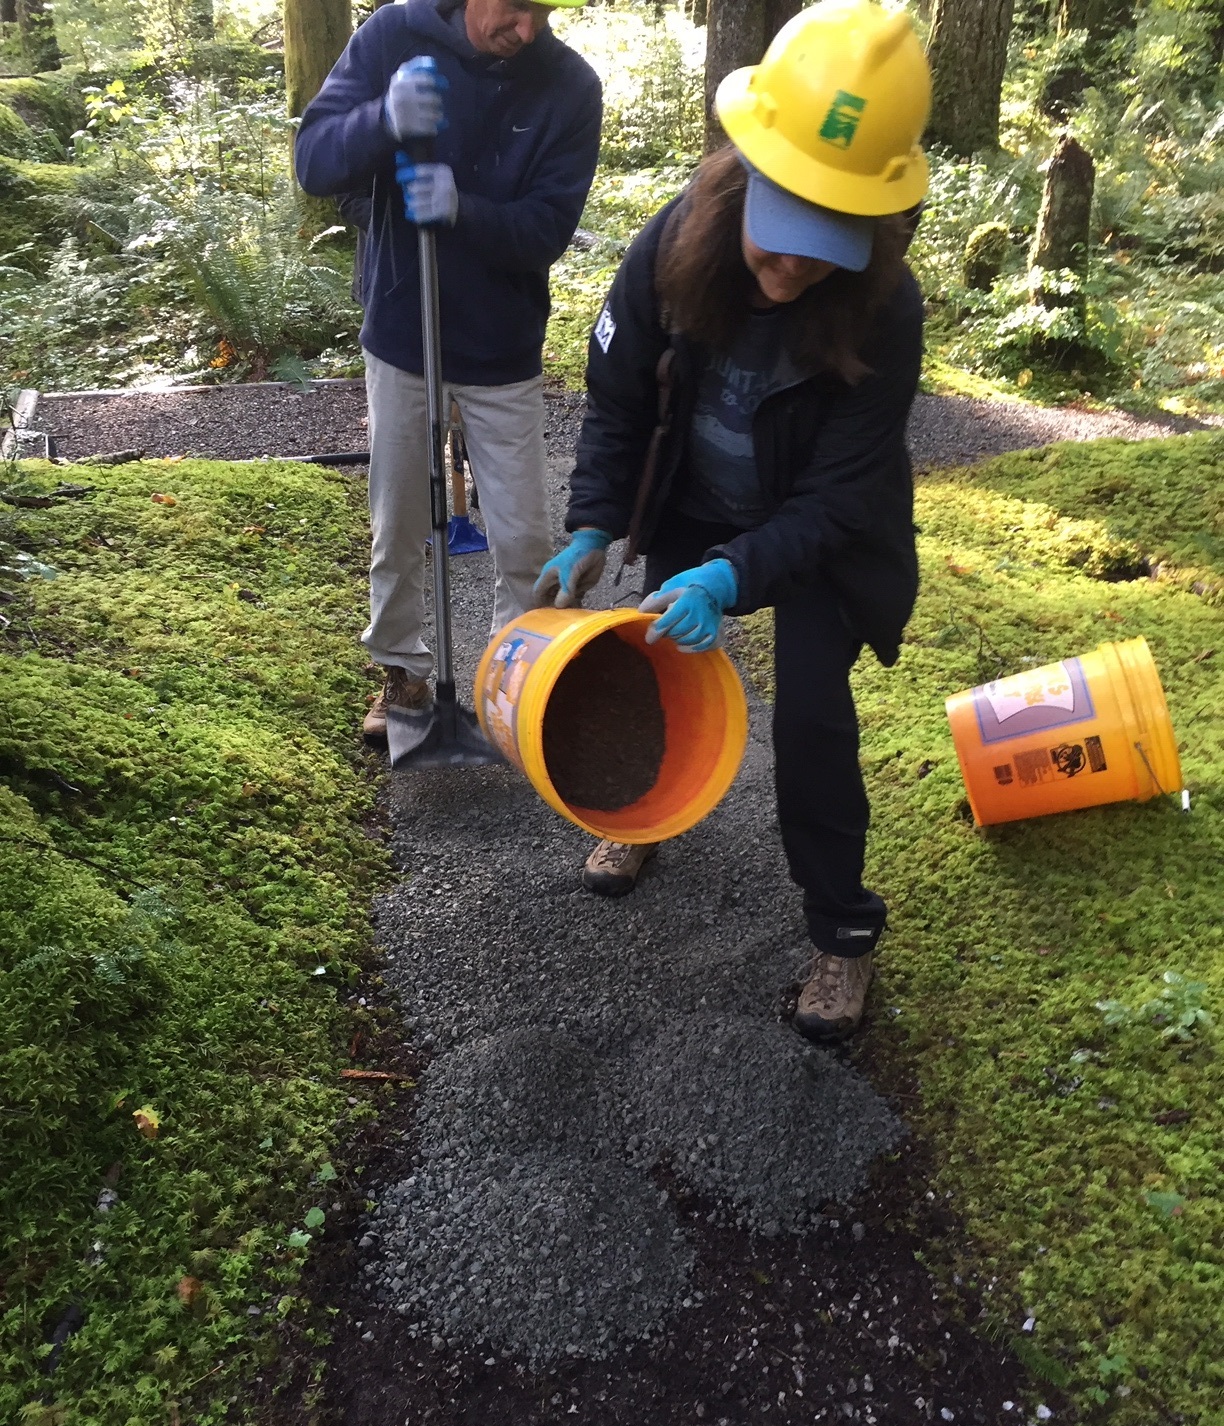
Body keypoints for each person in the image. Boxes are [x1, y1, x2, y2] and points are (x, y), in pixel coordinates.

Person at [533, 0, 930, 1042]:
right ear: (744, 173)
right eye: (781, 236)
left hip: (816, 539)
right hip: (695, 499)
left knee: (811, 722)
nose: (792, 268)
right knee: (647, 661)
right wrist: (592, 525)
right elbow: (618, 404)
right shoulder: (672, 245)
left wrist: (732, 576)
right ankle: (640, 814)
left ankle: (842, 933)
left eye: (823, 248)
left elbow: (841, 498)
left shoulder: (887, 310)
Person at [295, 0, 602, 745]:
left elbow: (548, 228)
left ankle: (514, 681)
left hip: (501, 344)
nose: (527, 29)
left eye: (543, 12)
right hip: (404, 330)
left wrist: (465, 209)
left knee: (524, 538)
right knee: (397, 520)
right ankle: (401, 669)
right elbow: (315, 162)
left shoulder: (569, 85)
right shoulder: (393, 35)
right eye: (516, 7)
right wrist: (383, 119)